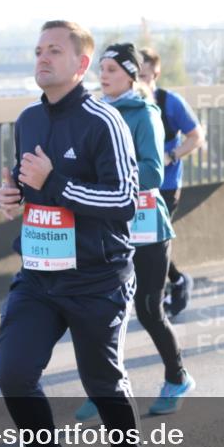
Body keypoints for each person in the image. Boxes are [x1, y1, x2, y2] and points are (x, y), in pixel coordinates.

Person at [0, 21, 150, 447]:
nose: (42, 58)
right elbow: (30, 187)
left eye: (55, 51)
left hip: (97, 278)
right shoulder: (27, 119)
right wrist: (12, 196)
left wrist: (55, 181)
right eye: (38, 50)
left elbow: (124, 201)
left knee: (102, 381)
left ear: (81, 64)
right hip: (39, 273)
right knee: (14, 372)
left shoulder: (104, 121)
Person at [74, 43, 196, 421]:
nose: (103, 75)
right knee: (101, 310)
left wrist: (107, 178)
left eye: (111, 69)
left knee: (147, 309)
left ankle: (177, 378)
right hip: (106, 225)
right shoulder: (95, 111)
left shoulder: (145, 113)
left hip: (146, 226)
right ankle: (104, 390)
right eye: (101, 69)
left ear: (130, 75)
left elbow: (153, 171)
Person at [138, 47, 206, 319]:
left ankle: (162, 294)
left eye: (144, 75)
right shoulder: (126, 103)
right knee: (142, 242)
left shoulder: (170, 102)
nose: (139, 81)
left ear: (156, 73)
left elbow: (196, 136)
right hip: (137, 185)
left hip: (166, 185)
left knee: (152, 241)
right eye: (135, 75)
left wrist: (172, 155)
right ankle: (176, 280)